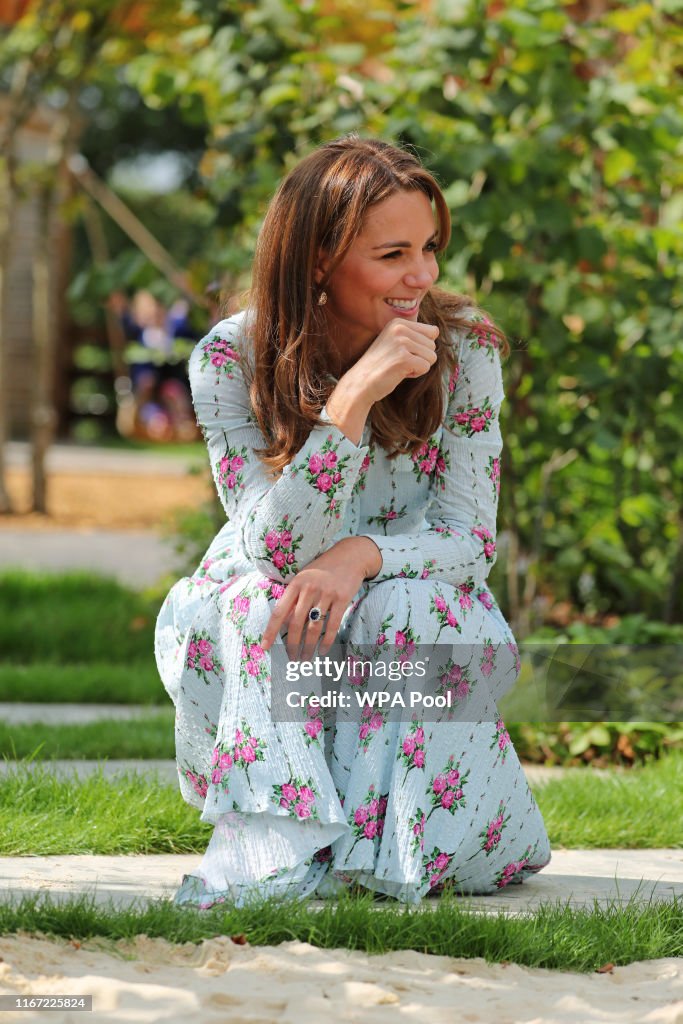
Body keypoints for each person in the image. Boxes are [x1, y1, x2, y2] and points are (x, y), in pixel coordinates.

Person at [154, 135, 552, 908]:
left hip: (413, 602)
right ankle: (276, 842)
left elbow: (469, 540)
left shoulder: (464, 351)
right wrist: (351, 401)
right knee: (257, 602)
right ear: (316, 262)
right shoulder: (229, 357)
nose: (422, 277)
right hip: (268, 614)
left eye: (430, 248)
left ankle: (376, 855)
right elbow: (274, 547)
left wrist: (362, 556)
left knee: (398, 608)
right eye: (393, 253)